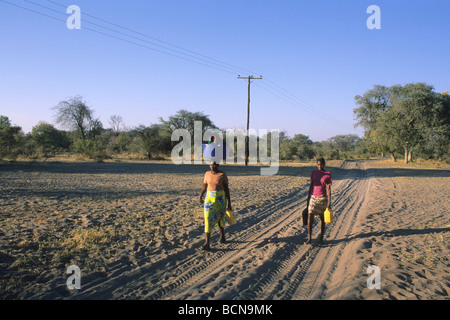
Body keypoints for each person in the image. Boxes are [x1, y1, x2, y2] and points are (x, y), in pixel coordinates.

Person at [199, 161, 232, 251]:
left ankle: (222, 236)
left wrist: (229, 203)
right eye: (211, 164)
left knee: (220, 217)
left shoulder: (222, 174)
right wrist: (200, 196)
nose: (212, 166)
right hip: (209, 198)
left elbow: (226, 189)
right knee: (207, 218)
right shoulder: (207, 174)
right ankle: (207, 243)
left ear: (218, 165)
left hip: (220, 198)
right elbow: (204, 186)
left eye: (214, 164)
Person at [305, 158, 332, 244]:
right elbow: (311, 186)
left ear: (324, 164)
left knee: (322, 218)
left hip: (322, 198)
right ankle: (309, 238)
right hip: (313, 197)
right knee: (310, 215)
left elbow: (328, 189)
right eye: (318, 165)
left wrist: (329, 202)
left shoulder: (328, 174)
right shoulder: (313, 173)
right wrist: (308, 198)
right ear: (316, 165)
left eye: (321, 164)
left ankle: (321, 237)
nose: (320, 166)